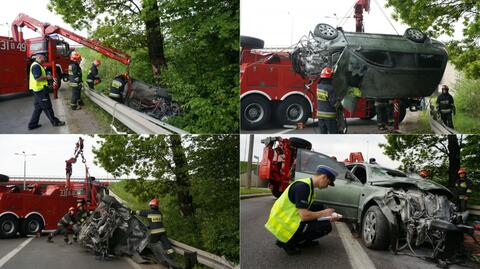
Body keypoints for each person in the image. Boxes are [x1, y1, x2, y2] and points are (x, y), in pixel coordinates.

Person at [265, 165, 340, 255]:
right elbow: (304, 216)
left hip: (289, 219)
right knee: (326, 226)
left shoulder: (308, 186)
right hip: (283, 226)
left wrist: (327, 216)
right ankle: (288, 242)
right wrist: (324, 213)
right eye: (328, 182)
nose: (327, 186)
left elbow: (309, 210)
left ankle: (303, 240)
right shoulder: (303, 187)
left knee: (319, 207)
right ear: (323, 177)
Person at [27, 54, 65, 130]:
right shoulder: (36, 66)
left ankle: (32, 124)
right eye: (44, 58)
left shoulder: (37, 65)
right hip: (40, 90)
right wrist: (47, 77)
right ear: (39, 57)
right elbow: (37, 77)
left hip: (37, 90)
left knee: (38, 108)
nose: (45, 60)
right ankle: (55, 122)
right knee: (47, 107)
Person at [317, 67, 340, 134]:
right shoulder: (330, 88)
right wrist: (339, 103)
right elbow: (334, 103)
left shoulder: (318, 86)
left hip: (320, 115)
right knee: (333, 134)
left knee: (323, 134)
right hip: (329, 116)